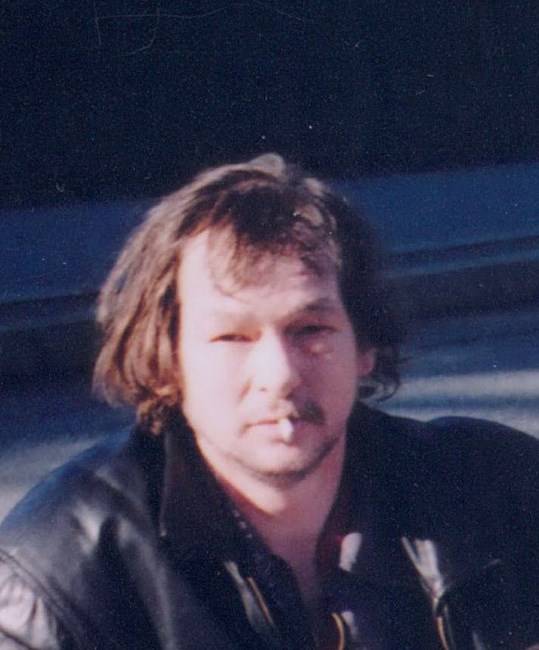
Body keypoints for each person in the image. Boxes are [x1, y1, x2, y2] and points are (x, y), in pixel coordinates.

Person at [0, 154, 538, 650]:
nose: (280, 375)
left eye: (311, 329)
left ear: (365, 347)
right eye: (232, 336)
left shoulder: (504, 490)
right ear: (168, 358)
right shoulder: (56, 579)